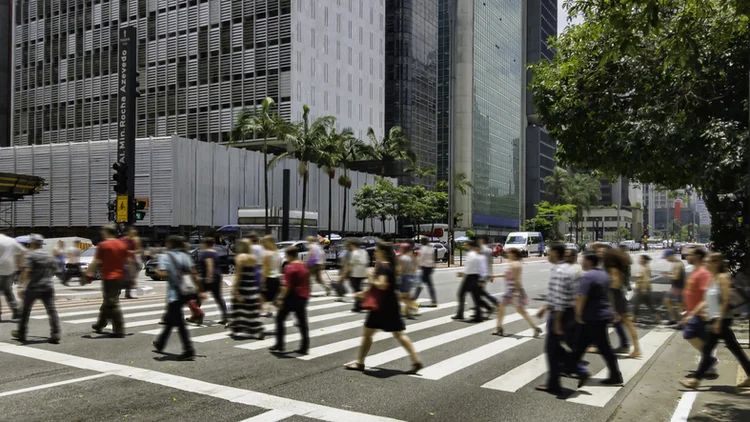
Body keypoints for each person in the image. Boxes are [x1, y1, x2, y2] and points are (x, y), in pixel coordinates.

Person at [344, 243, 422, 373]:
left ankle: (360, 362)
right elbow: (384, 286)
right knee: (399, 334)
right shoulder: (391, 265)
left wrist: (370, 277)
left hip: (380, 306)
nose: (374, 253)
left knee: (367, 334)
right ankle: (416, 361)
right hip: (391, 304)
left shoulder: (382, 266)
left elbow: (381, 285)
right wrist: (363, 293)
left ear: (382, 252)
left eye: (376, 251)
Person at [679, 253, 750, 389]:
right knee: (734, 348)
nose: (705, 263)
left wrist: (718, 320)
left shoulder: (723, 277)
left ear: (716, 263)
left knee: (708, 349)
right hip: (716, 319)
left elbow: (725, 300)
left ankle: (696, 380)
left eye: (708, 261)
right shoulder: (712, 278)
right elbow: (705, 301)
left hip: (721, 319)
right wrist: (691, 314)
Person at [573, 253, 623, 387]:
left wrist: (578, 314)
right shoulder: (604, 275)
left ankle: (615, 375)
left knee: (603, 347)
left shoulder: (588, 276)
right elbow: (607, 295)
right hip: (601, 315)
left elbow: (581, 297)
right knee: (580, 345)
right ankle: (572, 368)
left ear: (589, 262)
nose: (581, 262)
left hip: (593, 317)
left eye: (582, 260)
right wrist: (612, 310)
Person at [535, 242, 579, 394]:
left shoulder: (560, 270)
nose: (547, 254)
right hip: (565, 311)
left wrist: (558, 321)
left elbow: (560, 297)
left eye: (550, 251)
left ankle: (557, 382)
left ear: (556, 253)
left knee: (551, 349)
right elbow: (557, 294)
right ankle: (577, 370)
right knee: (555, 348)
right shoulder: (563, 268)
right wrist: (545, 307)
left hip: (561, 313)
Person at [85, 224, 134, 337]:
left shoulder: (103, 245)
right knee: (108, 301)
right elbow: (130, 261)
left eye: (103, 232)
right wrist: (131, 277)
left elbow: (95, 262)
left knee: (112, 302)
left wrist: (88, 274)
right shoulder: (123, 244)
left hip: (108, 278)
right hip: (120, 278)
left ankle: (119, 329)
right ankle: (100, 324)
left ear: (106, 232)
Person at [153, 235, 197, 360]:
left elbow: (164, 274)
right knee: (171, 320)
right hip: (186, 291)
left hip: (174, 294)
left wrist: (156, 270)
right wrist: (199, 290)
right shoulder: (185, 256)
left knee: (179, 323)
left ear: (170, 244)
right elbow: (193, 273)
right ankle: (160, 343)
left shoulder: (165, 256)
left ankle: (189, 349)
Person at [11, 234, 60, 344]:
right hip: (47, 287)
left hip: (33, 287)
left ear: (32, 243)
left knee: (25, 311)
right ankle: (55, 333)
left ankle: (21, 333)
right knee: (51, 310)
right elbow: (55, 269)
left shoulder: (31, 255)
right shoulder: (49, 255)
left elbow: (27, 271)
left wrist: (21, 286)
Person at [679, 247, 719, 374]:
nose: (687, 256)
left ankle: (710, 360)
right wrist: (686, 309)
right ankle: (709, 365)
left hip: (702, 314)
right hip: (695, 312)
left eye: (690, 254)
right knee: (704, 340)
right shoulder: (695, 271)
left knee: (689, 334)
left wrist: (693, 313)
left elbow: (705, 295)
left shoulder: (703, 273)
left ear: (697, 256)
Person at [271, 247, 310, 354]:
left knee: (280, 319)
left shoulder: (290, 267)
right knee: (302, 322)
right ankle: (305, 347)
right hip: (303, 297)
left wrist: (280, 298)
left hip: (291, 297)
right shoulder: (304, 266)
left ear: (289, 256)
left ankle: (280, 344)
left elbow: (286, 286)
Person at [604, 248, 641, 358]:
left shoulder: (613, 269)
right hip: (618, 296)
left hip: (615, 297)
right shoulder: (618, 268)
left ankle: (636, 349)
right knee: (628, 324)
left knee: (628, 323)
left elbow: (615, 284)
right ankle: (635, 348)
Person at [493, 248, 540, 336]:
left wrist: (516, 292)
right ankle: (535, 327)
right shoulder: (515, 263)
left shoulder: (514, 264)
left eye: (509, 253)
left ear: (513, 254)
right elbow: (508, 275)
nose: (507, 254)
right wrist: (495, 276)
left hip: (512, 290)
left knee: (501, 307)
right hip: (515, 290)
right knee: (521, 311)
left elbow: (517, 279)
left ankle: (498, 328)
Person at [229, 239, 264, 340]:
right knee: (251, 311)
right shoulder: (253, 258)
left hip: (242, 287)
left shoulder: (240, 258)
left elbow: (238, 275)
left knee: (237, 309)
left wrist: (235, 290)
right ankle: (257, 329)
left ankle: (237, 328)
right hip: (251, 286)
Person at [453, 240, 487, 322]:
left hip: (470, 277)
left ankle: (460, 314)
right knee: (476, 297)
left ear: (470, 246)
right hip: (477, 277)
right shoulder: (477, 255)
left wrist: (462, 273)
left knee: (461, 294)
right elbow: (482, 268)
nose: (464, 246)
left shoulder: (470, 255)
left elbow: (469, 267)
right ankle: (478, 316)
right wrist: (482, 279)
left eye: (466, 245)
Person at [197, 238, 228, 324]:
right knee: (218, 297)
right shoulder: (215, 252)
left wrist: (209, 277)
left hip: (209, 277)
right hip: (218, 276)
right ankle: (225, 316)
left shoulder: (206, 253)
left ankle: (198, 316)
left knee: (199, 296)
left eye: (202, 243)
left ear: (205, 243)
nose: (201, 245)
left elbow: (209, 264)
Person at [0, 232, 25, 321]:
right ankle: (16, 311)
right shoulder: (11, 241)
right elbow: (23, 251)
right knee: (7, 291)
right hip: (10, 269)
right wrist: (19, 263)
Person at [631, 255, 661, 323]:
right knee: (648, 303)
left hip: (643, 289)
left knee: (636, 302)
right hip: (643, 288)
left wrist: (643, 289)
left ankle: (634, 318)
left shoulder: (645, 268)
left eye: (640, 259)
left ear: (644, 260)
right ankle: (657, 316)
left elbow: (647, 279)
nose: (639, 260)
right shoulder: (644, 267)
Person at [344, 239, 369, 312]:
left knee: (356, 289)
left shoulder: (354, 252)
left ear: (353, 245)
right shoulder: (364, 252)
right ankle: (359, 304)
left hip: (355, 273)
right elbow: (367, 262)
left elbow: (351, 264)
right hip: (363, 272)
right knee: (358, 288)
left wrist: (345, 273)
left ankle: (360, 305)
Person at [662, 249, 686, 325]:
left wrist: (667, 275)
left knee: (680, 305)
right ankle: (673, 319)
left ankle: (682, 322)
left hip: (679, 287)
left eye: (666, 257)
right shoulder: (675, 263)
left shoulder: (678, 264)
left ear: (671, 256)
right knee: (667, 300)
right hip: (676, 286)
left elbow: (676, 276)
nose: (666, 259)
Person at [261, 235, 282, 317]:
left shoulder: (267, 254)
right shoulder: (277, 252)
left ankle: (267, 311)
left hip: (269, 278)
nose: (264, 244)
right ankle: (268, 311)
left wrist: (262, 282)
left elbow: (264, 268)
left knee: (263, 295)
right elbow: (279, 266)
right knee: (273, 299)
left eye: (265, 242)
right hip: (276, 278)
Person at [477, 235, 499, 313]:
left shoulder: (480, 250)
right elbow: (490, 263)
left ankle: (492, 302)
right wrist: (491, 274)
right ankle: (489, 304)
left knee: (480, 291)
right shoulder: (489, 250)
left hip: (480, 274)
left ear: (482, 241)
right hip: (486, 273)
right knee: (481, 291)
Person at [413, 237, 438, 307]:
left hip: (424, 268)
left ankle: (413, 300)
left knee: (419, 285)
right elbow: (434, 258)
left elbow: (420, 259)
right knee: (429, 285)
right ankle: (434, 301)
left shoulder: (423, 249)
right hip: (430, 268)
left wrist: (417, 267)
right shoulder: (431, 248)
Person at [396, 243, 417, 319]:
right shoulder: (410, 258)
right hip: (410, 277)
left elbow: (400, 269)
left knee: (401, 296)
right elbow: (414, 268)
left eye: (401, 248)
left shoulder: (402, 258)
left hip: (404, 277)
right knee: (407, 296)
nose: (400, 249)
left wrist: (397, 277)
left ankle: (411, 307)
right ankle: (409, 312)